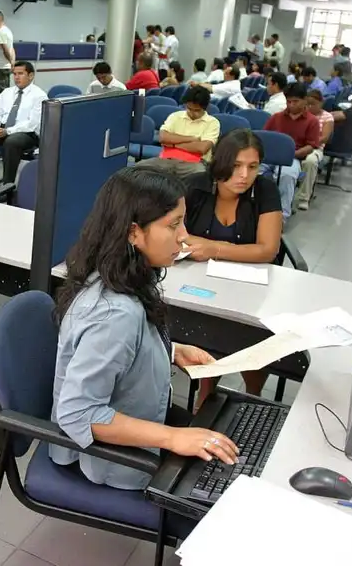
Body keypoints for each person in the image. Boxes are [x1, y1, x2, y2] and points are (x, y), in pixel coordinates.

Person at [50, 167, 239, 491]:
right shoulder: (114, 314)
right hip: (112, 462)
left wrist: (171, 350)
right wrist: (174, 438)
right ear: (134, 233)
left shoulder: (120, 273)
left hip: (139, 425)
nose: (184, 235)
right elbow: (78, 411)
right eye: (173, 224)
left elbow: (121, 350)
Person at [182, 130, 284, 401]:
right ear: (221, 164)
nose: (244, 175)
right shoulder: (196, 187)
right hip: (198, 280)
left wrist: (213, 248)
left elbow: (267, 249)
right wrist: (235, 251)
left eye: (252, 167)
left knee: (250, 334)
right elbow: (176, 234)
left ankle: (252, 394)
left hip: (250, 283)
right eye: (236, 166)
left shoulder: (265, 190)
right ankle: (206, 393)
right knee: (206, 330)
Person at [263, 83, 322, 216]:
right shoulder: (276, 117)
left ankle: (281, 216)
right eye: (288, 101)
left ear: (304, 100)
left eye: (295, 101)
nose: (291, 105)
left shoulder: (312, 121)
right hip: (269, 156)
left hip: (292, 158)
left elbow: (310, 146)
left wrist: (291, 154)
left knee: (287, 176)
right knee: (249, 172)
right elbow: (264, 137)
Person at [140, 85, 220, 178]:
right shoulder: (175, 116)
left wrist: (173, 144)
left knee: (199, 176)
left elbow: (202, 148)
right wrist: (192, 139)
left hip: (195, 163)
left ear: (206, 108)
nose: (192, 113)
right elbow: (163, 137)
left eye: (197, 110)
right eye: (189, 108)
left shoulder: (213, 123)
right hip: (168, 158)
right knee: (138, 168)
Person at [0, 11, 15, 97]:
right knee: (5, 92)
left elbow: (5, 49)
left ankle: (2, 110)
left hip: (2, 67)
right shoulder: (8, 31)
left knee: (1, 94)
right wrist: (12, 62)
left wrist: (11, 61)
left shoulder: (1, 32)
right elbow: (12, 49)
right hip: (6, 66)